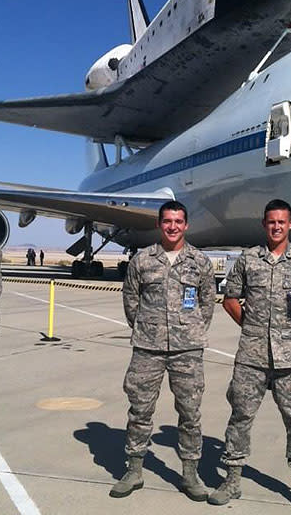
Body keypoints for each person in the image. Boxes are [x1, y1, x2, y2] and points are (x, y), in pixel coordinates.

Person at [209, 199, 291, 512]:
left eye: (281, 222)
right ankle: (232, 480)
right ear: (264, 225)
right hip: (252, 357)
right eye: (270, 222)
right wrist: (250, 327)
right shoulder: (248, 260)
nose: (276, 227)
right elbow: (230, 298)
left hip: (290, 362)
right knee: (240, 417)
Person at [110, 200, 216, 502]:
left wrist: (190, 329)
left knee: (190, 413)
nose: (173, 226)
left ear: (186, 225)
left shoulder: (200, 261)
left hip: (188, 349)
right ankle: (133, 470)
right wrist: (147, 327)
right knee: (140, 410)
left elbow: (207, 302)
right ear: (160, 224)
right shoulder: (142, 260)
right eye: (167, 221)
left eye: (178, 221)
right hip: (148, 348)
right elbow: (131, 299)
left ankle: (190, 473)